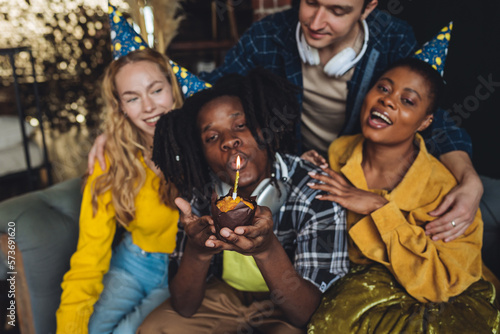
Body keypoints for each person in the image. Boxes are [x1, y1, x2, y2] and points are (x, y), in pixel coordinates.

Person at [87, 0, 483, 244]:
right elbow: (211, 95)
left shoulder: (393, 38)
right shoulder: (267, 36)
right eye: (311, 2)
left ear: (369, 7)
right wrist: (126, 126)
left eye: (339, 10)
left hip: (357, 178)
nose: (317, 20)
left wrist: (470, 180)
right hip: (293, 178)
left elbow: (431, 116)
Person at [136, 68, 349, 333]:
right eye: (212, 137)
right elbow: (185, 307)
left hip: (286, 305)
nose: (229, 141)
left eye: (241, 125)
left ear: (264, 123)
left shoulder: (315, 186)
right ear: (200, 153)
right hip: (224, 296)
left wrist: (267, 249)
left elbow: (308, 314)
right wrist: (198, 251)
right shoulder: (200, 193)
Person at [305, 57, 500, 332]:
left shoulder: (445, 191)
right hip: (358, 290)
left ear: (425, 122)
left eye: (408, 101)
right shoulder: (339, 152)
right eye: (383, 89)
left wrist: (378, 207)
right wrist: (304, 170)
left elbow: (438, 283)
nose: (388, 100)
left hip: (441, 299)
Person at [56, 6, 186, 334]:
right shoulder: (111, 160)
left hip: (181, 271)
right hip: (132, 263)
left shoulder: (206, 142)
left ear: (173, 87)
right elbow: (89, 255)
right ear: (121, 108)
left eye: (156, 90)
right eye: (132, 98)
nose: (149, 106)